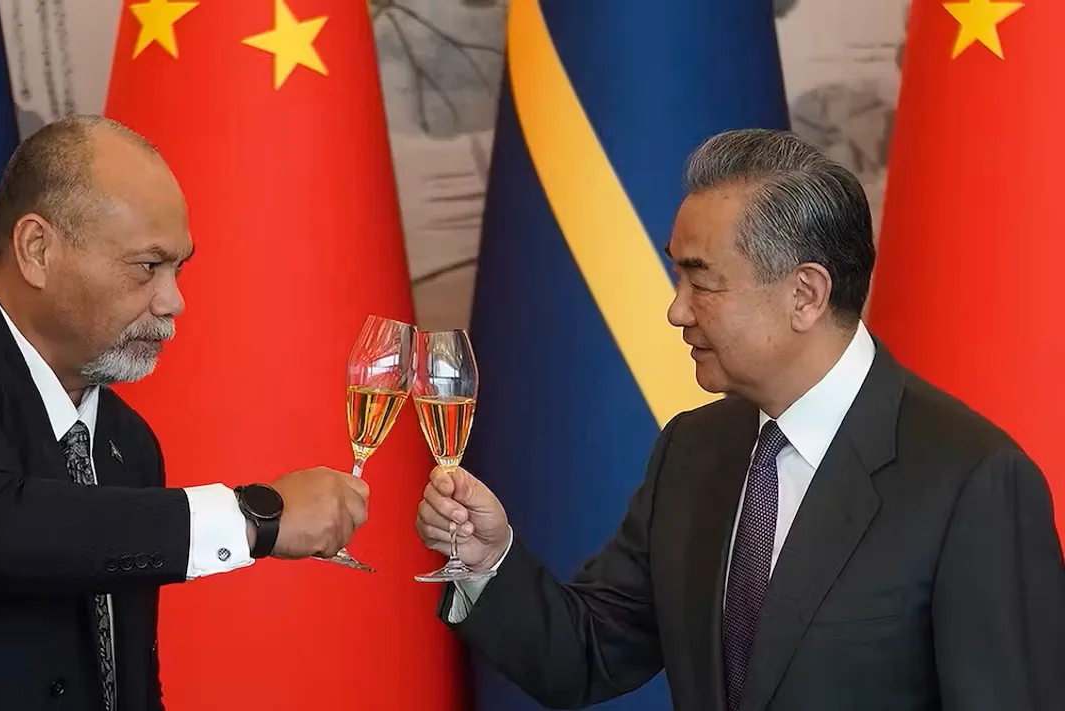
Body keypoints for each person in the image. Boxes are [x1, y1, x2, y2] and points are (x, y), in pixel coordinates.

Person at [416, 128, 1065, 710]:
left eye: (702, 280)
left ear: (805, 295)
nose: (676, 310)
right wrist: (484, 558)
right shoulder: (693, 452)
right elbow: (584, 656)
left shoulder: (973, 480)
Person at [0, 115, 369, 710]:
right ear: (37, 250)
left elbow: (126, 676)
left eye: (179, 268)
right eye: (147, 266)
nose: (174, 302)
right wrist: (254, 518)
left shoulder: (127, 442)